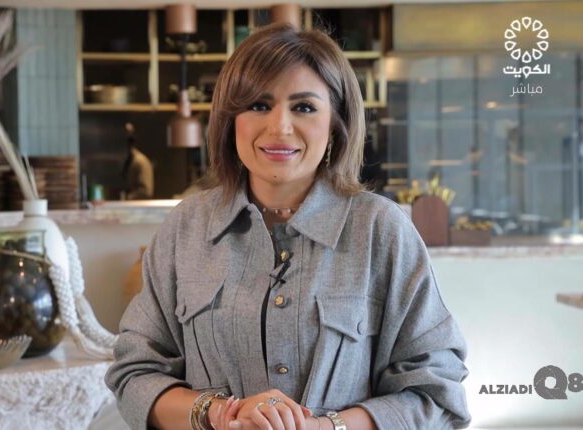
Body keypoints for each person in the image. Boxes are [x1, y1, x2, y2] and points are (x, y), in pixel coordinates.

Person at [105, 23, 470, 430]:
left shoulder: (382, 230)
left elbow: (436, 394)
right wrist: (220, 414)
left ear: (335, 123)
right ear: (230, 119)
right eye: (259, 105)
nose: (279, 127)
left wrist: (324, 427)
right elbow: (134, 376)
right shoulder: (184, 228)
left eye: (304, 107)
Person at [122, 122, 155, 199]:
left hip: (139, 205)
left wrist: (127, 197)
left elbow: (146, 191)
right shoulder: (128, 161)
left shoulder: (140, 162)